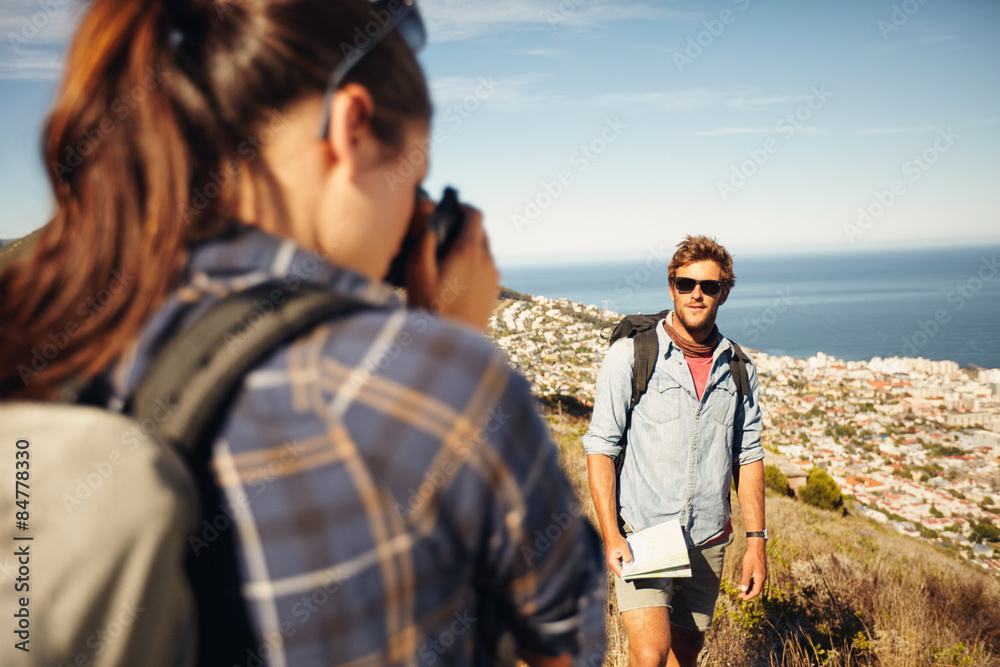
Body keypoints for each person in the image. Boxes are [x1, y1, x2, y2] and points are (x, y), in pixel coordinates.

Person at [0, 0, 605, 664]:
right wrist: (450, 345)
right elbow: (565, 646)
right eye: (415, 175)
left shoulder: (51, 324)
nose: (412, 211)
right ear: (350, 126)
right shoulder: (444, 383)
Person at [582, 235, 765, 667]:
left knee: (686, 654)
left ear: (724, 293)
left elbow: (749, 457)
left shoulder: (740, 370)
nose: (696, 294)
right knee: (650, 656)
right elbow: (600, 448)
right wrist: (611, 534)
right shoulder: (631, 356)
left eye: (709, 286)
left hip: (708, 539)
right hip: (643, 533)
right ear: (671, 288)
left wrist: (757, 543)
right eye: (685, 284)